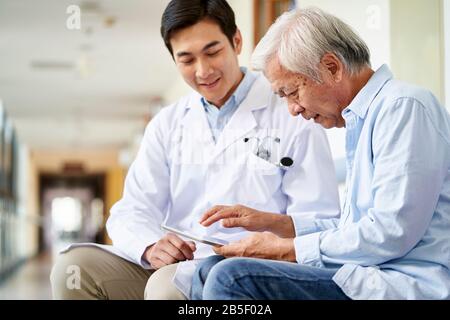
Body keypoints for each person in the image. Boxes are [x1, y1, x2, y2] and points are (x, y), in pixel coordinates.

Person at [50, 1, 340, 300]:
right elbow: (132, 210)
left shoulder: (292, 110)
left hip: (254, 266)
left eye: (212, 52)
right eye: (187, 59)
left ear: (236, 41)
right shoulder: (168, 123)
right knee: (73, 270)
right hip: (180, 261)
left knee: (166, 288)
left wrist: (269, 240)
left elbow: (317, 216)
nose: (203, 71)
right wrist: (150, 246)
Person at [191, 7, 450, 300]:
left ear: (332, 67)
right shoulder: (361, 122)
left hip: (403, 283)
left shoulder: (403, 107)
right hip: (369, 271)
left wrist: (288, 250)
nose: (293, 109)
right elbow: (355, 228)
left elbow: (390, 232)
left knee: (232, 277)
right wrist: (274, 224)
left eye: (292, 92)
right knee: (209, 268)